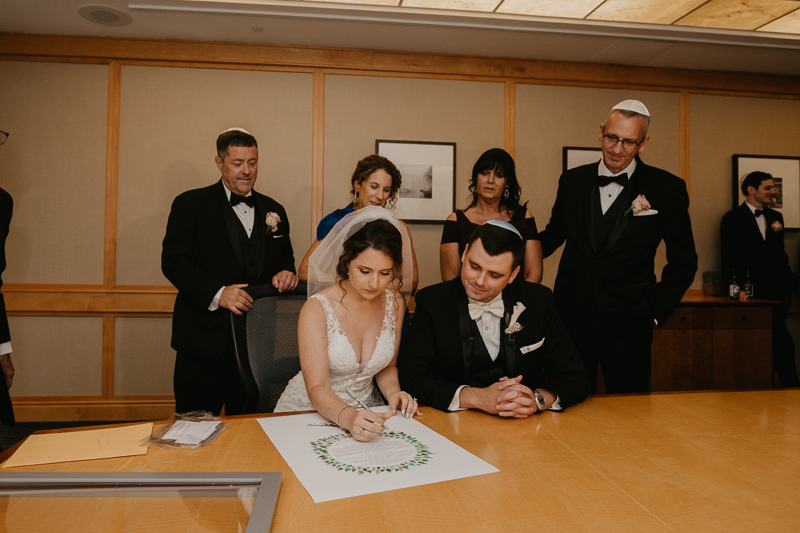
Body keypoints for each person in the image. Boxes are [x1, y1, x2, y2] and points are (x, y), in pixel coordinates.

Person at [538, 100, 698, 394]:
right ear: (601, 132)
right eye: (612, 137)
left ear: (644, 143)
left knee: (630, 410)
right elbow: (553, 235)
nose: (616, 148)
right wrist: (508, 243)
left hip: (630, 323)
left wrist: (654, 311)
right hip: (570, 316)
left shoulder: (667, 188)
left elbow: (684, 260)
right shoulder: (572, 181)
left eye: (628, 142)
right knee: (566, 402)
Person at [162, 128, 298, 415]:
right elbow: (174, 262)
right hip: (202, 341)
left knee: (250, 426)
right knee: (194, 426)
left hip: (256, 346)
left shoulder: (275, 210)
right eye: (237, 163)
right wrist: (218, 293)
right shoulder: (189, 204)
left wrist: (286, 272)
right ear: (219, 162)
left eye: (252, 162)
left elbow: (285, 257)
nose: (246, 171)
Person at [399, 221, 589, 416]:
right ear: (464, 254)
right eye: (474, 266)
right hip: (453, 427)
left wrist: (537, 400)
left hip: (525, 430)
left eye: (494, 274)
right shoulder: (432, 302)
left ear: (513, 274)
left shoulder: (539, 301)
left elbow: (575, 377)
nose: (480, 281)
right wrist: (476, 397)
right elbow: (412, 378)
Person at [275, 207, 420, 442]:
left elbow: (387, 366)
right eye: (365, 270)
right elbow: (318, 387)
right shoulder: (317, 309)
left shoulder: (395, 303)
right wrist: (349, 417)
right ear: (346, 259)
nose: (375, 283)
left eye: (385, 273)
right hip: (310, 412)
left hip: (368, 411)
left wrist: (395, 393)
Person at [720, 171, 800, 387]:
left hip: (779, 287)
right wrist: (734, 287)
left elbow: (779, 254)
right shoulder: (732, 218)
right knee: (774, 339)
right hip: (752, 288)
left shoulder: (776, 217)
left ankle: (780, 388)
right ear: (751, 190)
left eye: (773, 187)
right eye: (768, 187)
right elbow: (728, 257)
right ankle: (788, 386)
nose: (773, 192)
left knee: (776, 336)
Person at [299, 155, 418, 293]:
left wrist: (376, 288)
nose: (380, 196)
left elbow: (412, 281)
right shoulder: (338, 222)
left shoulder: (399, 228)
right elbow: (304, 272)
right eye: (374, 187)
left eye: (386, 190)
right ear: (357, 185)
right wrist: (353, 282)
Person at [440, 148, 542, 284]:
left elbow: (533, 273)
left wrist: (520, 303)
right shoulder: (455, 220)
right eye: (485, 173)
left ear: (507, 183)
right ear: (476, 178)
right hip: (469, 300)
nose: (490, 180)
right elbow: (450, 278)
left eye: (499, 175)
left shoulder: (524, 216)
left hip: (517, 300)